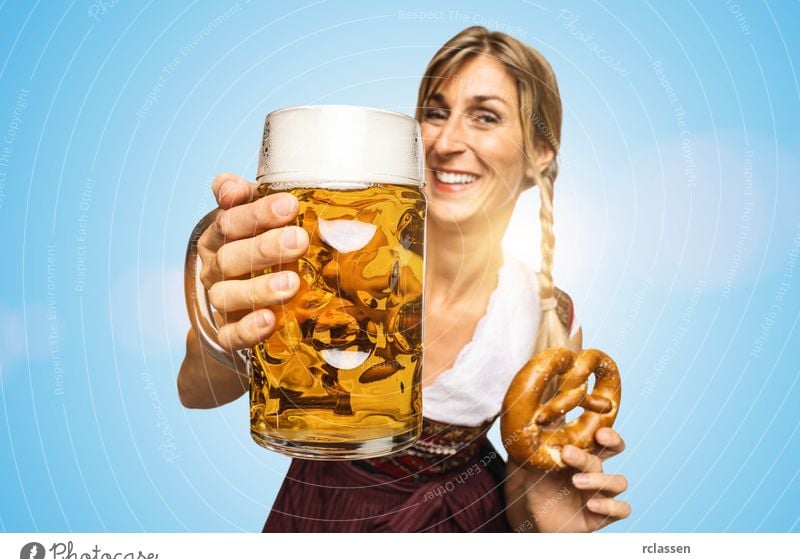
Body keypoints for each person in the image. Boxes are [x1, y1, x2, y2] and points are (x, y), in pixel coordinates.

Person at [177, 26, 630, 532]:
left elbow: (527, 483)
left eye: (485, 117)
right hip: (322, 512)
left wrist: (547, 518)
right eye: (435, 113)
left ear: (540, 154)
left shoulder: (547, 314)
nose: (446, 140)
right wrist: (227, 315)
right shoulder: (330, 258)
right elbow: (196, 393)